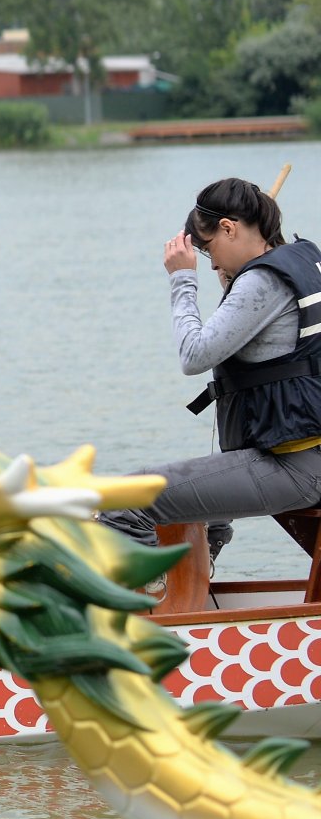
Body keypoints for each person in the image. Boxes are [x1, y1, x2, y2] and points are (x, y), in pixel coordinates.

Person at [99, 177, 321, 570]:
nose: (213, 263)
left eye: (209, 249)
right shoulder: (301, 261)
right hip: (302, 457)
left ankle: (153, 608)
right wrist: (234, 285)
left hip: (296, 467)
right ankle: (199, 584)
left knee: (125, 499)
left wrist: (182, 279)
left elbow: (194, 355)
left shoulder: (261, 281)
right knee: (204, 501)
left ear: (229, 228)